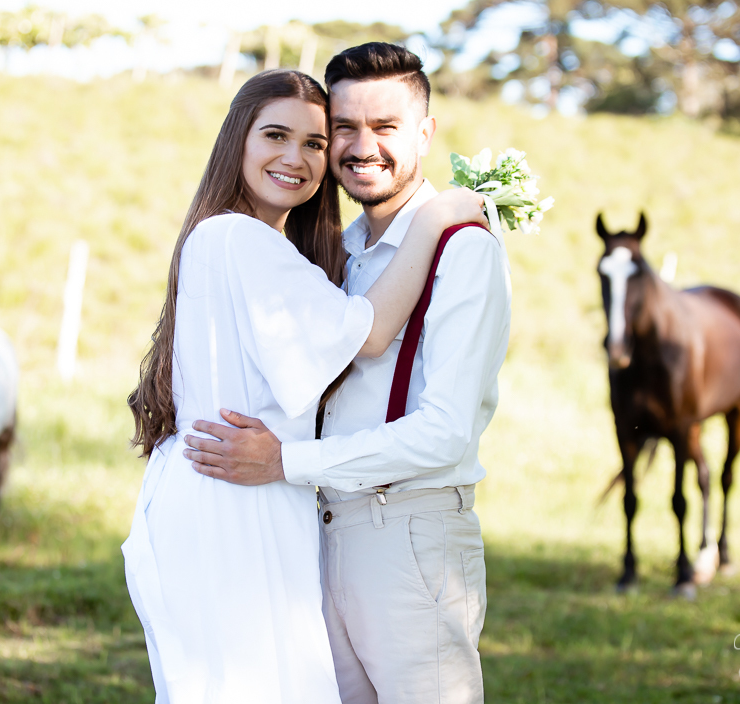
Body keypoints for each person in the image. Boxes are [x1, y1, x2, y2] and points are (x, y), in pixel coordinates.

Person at [122, 67, 489, 704]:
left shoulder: (231, 238)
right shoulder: (242, 238)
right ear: (237, 140)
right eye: (275, 136)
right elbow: (367, 334)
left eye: (314, 143)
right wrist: (434, 221)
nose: (296, 158)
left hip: (219, 491)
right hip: (239, 498)